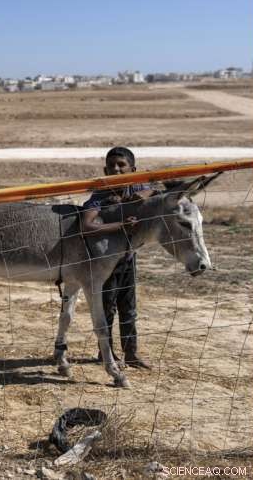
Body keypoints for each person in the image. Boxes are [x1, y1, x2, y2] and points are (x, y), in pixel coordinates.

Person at [80, 146, 154, 369]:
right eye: (111, 166)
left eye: (122, 165)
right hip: (107, 260)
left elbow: (155, 189)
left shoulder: (138, 187)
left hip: (129, 256)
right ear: (105, 170)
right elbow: (86, 225)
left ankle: (131, 353)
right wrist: (120, 225)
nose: (116, 169)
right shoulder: (101, 194)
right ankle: (106, 352)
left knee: (129, 307)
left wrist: (143, 195)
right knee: (108, 305)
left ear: (133, 170)